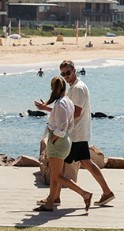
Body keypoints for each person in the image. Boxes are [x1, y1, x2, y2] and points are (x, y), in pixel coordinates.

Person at [35, 60, 115, 207]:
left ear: (74, 70)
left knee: (58, 169)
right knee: (83, 163)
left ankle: (55, 198)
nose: (66, 76)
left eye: (68, 73)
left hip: (74, 134)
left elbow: (75, 114)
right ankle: (106, 192)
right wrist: (46, 109)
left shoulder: (77, 89)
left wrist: (59, 131)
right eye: (63, 74)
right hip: (77, 133)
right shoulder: (75, 87)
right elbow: (66, 113)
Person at [33, 76, 92, 212]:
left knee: (58, 176)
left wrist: (54, 137)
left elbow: (63, 125)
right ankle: (51, 201)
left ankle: (84, 194)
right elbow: (69, 123)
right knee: (55, 174)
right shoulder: (67, 101)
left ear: (53, 89)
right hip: (64, 140)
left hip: (59, 142)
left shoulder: (61, 103)